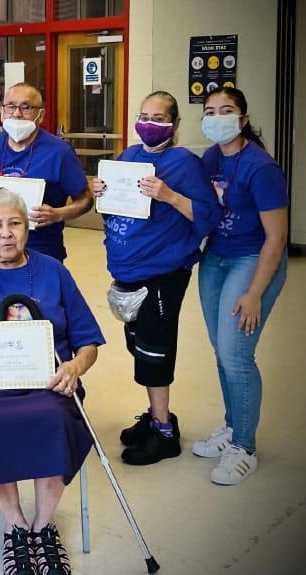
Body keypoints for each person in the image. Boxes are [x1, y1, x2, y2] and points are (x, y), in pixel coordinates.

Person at [0, 188, 104, 575]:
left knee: (55, 418)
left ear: (27, 228)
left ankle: (44, 527)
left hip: (44, 381)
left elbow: (88, 340)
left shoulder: (52, 270)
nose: (6, 233)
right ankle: (15, 525)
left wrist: (75, 367)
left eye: (15, 223)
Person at [91, 91, 221, 466]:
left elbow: (207, 218)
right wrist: (99, 193)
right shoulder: (129, 157)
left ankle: (164, 431)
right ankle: (155, 413)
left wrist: (169, 196)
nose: (149, 124)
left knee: (154, 348)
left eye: (159, 118)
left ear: (175, 125)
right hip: (128, 271)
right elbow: (112, 212)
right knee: (139, 345)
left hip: (162, 272)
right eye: (144, 116)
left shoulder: (184, 164)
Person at [194, 87, 288, 485]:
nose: (218, 118)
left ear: (243, 119)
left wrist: (254, 293)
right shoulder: (211, 157)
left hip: (253, 260)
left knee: (237, 354)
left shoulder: (261, 167)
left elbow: (276, 238)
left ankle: (245, 448)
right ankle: (232, 429)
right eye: (210, 111)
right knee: (222, 350)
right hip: (215, 258)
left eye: (226, 110)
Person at [0, 82, 92, 262]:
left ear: (40, 115)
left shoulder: (59, 152)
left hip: (43, 251)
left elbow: (86, 200)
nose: (16, 114)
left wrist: (58, 214)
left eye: (26, 107)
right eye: (10, 106)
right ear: (1, 111)